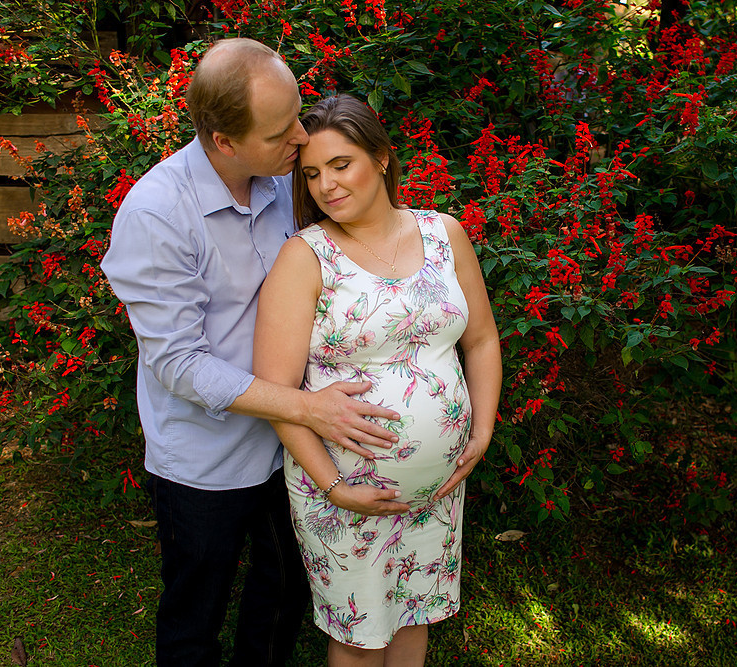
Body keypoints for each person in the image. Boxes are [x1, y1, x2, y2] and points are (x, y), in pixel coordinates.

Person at [101, 40, 404, 666]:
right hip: (204, 459)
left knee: (285, 588)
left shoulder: (278, 181)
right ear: (223, 141)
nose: (299, 136)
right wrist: (306, 407)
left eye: (297, 114)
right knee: (197, 607)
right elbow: (178, 363)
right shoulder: (157, 214)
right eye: (279, 131)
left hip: (289, 444)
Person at [253, 94, 501, 666]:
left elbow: (482, 339)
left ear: (383, 157)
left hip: (437, 491)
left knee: (416, 620)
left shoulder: (445, 234)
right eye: (311, 173)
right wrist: (334, 488)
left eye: (341, 165)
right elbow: (278, 395)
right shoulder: (305, 257)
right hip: (345, 492)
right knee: (360, 639)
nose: (325, 185)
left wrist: (480, 433)